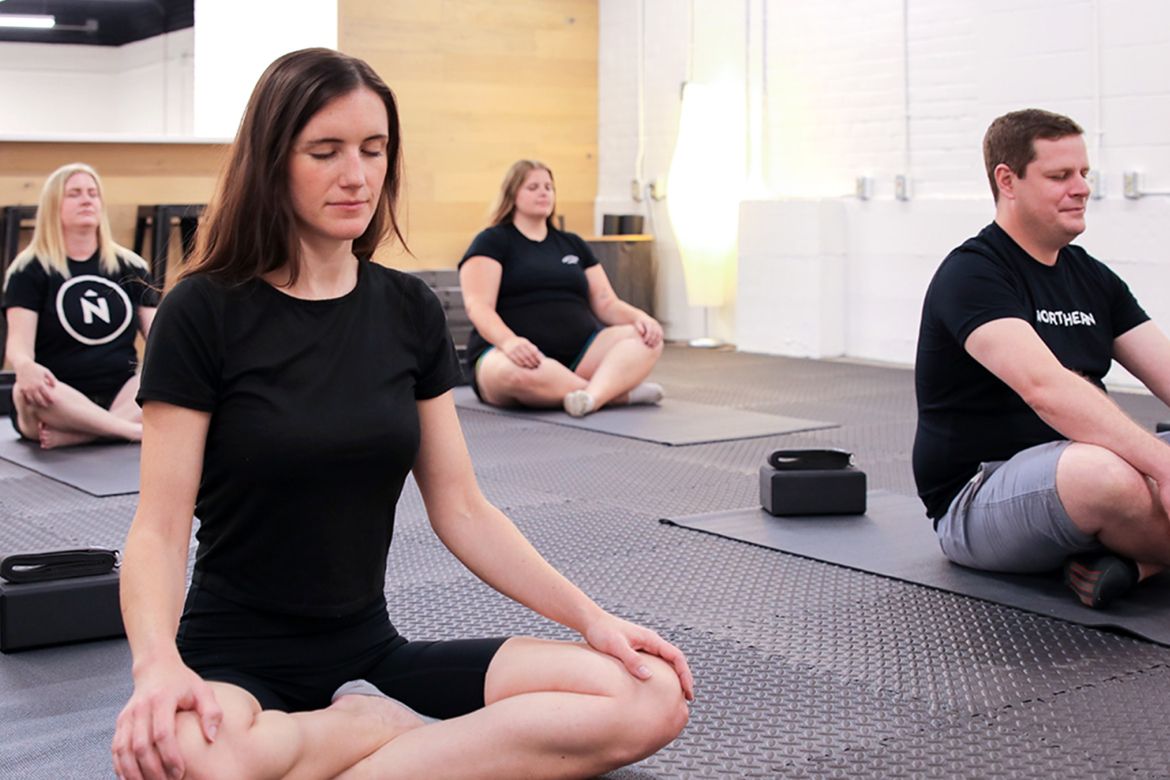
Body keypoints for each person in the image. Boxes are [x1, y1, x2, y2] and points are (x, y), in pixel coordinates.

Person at [110, 48, 692, 780]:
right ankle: (366, 732)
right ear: (271, 160)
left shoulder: (408, 309)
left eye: (373, 150)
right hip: (235, 658)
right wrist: (156, 668)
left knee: (650, 694)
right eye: (325, 151)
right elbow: (158, 529)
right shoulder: (202, 311)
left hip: (372, 653)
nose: (356, 175)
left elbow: (464, 510)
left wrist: (593, 620)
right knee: (185, 762)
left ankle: (353, 738)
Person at [913, 108, 1170, 609]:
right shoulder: (972, 274)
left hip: (1083, 464)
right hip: (982, 496)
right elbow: (1046, 389)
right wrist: (1163, 465)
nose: (1081, 188)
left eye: (1084, 174)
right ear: (1007, 181)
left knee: (1114, 465)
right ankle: (1141, 554)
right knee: (1105, 474)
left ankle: (1139, 562)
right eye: (1060, 176)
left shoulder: (1091, 276)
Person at [459, 160, 665, 418]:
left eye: (548, 187)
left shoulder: (572, 244)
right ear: (512, 195)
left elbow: (606, 302)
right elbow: (478, 306)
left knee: (646, 339)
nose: (544, 192)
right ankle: (617, 393)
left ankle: (590, 397)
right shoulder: (491, 241)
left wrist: (641, 318)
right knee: (515, 374)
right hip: (512, 354)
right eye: (533, 187)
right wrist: (509, 342)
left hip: (583, 354)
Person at [2, 163, 157, 449]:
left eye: (92, 193)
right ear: (53, 206)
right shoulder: (28, 271)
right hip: (58, 403)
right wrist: (25, 366)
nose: (87, 199)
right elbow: (19, 346)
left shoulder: (131, 266)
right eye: (74, 194)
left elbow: (163, 338)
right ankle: (130, 431)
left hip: (122, 396)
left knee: (163, 372)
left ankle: (91, 432)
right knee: (26, 389)